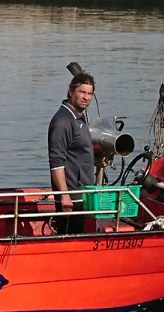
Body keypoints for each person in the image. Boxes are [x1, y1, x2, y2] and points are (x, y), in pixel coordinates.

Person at [47, 72, 96, 234]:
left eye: (89, 94)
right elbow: (56, 162)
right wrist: (64, 195)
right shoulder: (63, 121)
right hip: (72, 196)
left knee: (80, 232)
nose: (86, 98)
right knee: (68, 235)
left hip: (83, 192)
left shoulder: (77, 118)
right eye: (82, 92)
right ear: (71, 92)